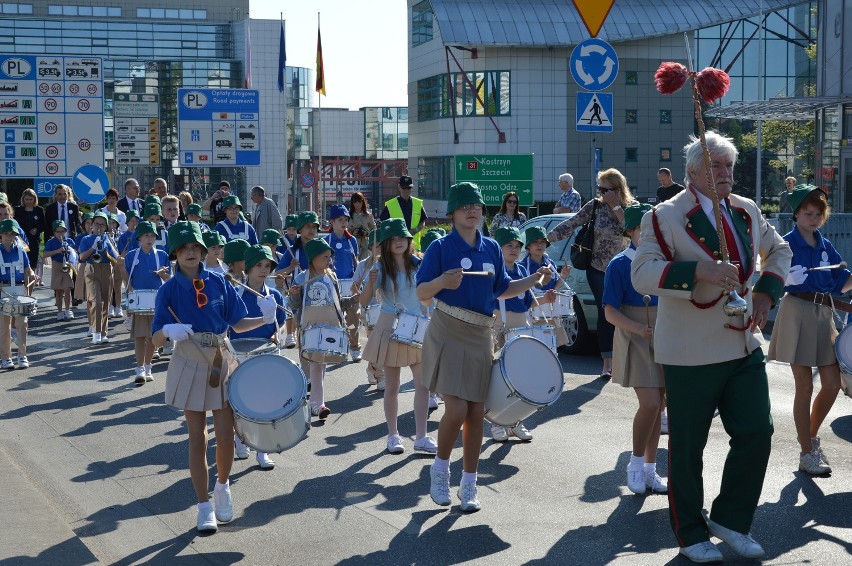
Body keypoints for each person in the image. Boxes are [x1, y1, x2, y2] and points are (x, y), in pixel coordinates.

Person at [631, 131, 791, 563]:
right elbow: (643, 274)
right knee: (687, 446)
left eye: (729, 166)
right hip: (689, 351)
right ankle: (690, 533)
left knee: (758, 431)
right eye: (715, 166)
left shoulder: (745, 209)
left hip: (743, 344)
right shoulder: (664, 216)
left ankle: (731, 519)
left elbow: (779, 250)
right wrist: (699, 270)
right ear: (692, 172)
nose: (725, 173)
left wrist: (765, 293)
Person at [416, 182, 552, 512]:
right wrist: (442, 283)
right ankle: (440, 469)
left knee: (477, 413)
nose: (473, 211)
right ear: (452, 212)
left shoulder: (491, 247)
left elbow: (502, 289)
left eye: (477, 206)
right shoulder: (440, 248)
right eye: (465, 207)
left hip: (480, 333)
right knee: (458, 409)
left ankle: (469, 483)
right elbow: (422, 292)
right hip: (447, 329)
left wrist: (534, 280)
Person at [152, 221, 277, 533]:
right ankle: (203, 505)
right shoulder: (167, 290)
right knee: (197, 438)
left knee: (224, 437)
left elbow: (237, 323)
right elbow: (153, 335)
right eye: (184, 249)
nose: (191, 253)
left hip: (221, 358)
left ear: (203, 250)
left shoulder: (220, 282)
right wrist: (168, 331)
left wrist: (266, 316)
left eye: (196, 247)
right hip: (189, 360)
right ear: (175, 254)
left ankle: (222, 487)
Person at [768, 185, 851, 475]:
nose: (814, 218)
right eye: (808, 213)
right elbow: (769, 277)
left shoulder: (825, 245)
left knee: (831, 384)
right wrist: (783, 278)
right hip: (796, 312)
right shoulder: (785, 243)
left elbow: (842, 281)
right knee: (803, 386)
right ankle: (806, 453)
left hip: (822, 313)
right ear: (796, 214)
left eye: (819, 214)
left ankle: (810, 440)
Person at [602, 203, 667, 495]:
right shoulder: (619, 264)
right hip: (635, 335)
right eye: (644, 229)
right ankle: (635, 462)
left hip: (664, 334)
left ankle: (651, 470)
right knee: (650, 403)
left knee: (660, 406)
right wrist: (639, 328)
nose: (650, 235)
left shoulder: (664, 262)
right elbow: (609, 313)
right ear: (630, 231)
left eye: (655, 229)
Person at [547, 168, 635, 379]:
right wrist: (546, 238)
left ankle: (628, 359)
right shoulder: (594, 206)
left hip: (625, 269)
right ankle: (607, 363)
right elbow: (572, 222)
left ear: (616, 189)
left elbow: (632, 229)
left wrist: (615, 206)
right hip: (598, 269)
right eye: (600, 189)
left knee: (628, 311)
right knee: (608, 310)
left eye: (605, 189)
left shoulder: (630, 208)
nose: (601, 193)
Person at [360, 218, 437, 454]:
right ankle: (393, 435)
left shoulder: (420, 263)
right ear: (385, 243)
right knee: (392, 386)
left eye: (402, 237)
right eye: (393, 239)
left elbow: (430, 296)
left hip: (418, 326)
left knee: (423, 385)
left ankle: (421, 437)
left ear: (409, 240)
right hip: (390, 326)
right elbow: (363, 302)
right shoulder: (379, 268)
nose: (399, 242)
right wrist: (371, 284)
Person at [490, 226, 556, 442]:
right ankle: (496, 423)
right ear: (498, 248)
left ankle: (515, 421)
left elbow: (528, 302)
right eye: (508, 245)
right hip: (498, 324)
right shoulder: (493, 270)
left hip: (520, 324)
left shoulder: (520, 270)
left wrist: (545, 299)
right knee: (496, 377)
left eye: (517, 246)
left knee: (520, 375)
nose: (514, 249)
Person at [228, 244, 289, 469]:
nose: (263, 270)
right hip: (239, 353)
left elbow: (279, 324)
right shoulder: (237, 294)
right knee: (240, 401)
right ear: (248, 268)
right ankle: (240, 438)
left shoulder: (274, 295)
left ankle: (262, 449)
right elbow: (232, 326)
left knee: (265, 402)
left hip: (266, 353)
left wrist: (275, 334)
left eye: (267, 266)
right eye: (258, 265)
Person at [289, 238, 346, 419]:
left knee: (321, 366)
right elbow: (294, 305)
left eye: (329, 257)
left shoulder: (332, 276)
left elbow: (337, 302)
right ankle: (318, 405)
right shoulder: (300, 279)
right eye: (324, 257)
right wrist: (294, 294)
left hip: (330, 325)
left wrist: (350, 304)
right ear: (312, 258)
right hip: (310, 327)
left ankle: (315, 401)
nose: (328, 260)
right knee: (316, 365)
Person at [124, 221, 171, 384]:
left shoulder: (162, 255)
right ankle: (139, 369)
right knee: (139, 337)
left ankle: (149, 366)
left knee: (153, 336)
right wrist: (129, 291)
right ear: (139, 238)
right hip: (139, 301)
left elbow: (168, 279)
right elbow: (127, 277)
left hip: (157, 301)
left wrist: (163, 275)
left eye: (152, 236)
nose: (149, 239)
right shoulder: (132, 255)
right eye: (146, 235)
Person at [324, 205, 362, 361]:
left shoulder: (351, 240)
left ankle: (355, 347)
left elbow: (356, 262)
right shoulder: (326, 241)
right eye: (340, 220)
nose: (344, 222)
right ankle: (338, 346)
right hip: (333, 283)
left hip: (350, 283)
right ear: (332, 222)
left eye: (346, 219)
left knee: (353, 316)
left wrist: (358, 280)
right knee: (334, 317)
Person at [78, 212, 119, 344]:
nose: (99, 227)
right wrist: (93, 247)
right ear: (92, 225)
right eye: (96, 224)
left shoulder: (108, 239)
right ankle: (96, 332)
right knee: (96, 301)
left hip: (106, 269)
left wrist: (109, 249)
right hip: (91, 269)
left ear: (106, 227)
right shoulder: (86, 239)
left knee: (106, 302)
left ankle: (103, 332)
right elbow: (82, 257)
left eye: (102, 225)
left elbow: (115, 258)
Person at [0, 218, 35, 369]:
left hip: (20, 289)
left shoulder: (21, 250)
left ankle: (22, 355)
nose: (9, 236)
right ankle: (6, 357)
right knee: (4, 325)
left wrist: (32, 274)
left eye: (12, 233)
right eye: (6, 233)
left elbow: (28, 269)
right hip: (4, 289)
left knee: (22, 324)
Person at [353, 230, 385, 389]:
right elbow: (354, 285)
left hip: (386, 309)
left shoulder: (388, 264)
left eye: (381, 245)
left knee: (383, 343)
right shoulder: (363, 265)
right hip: (369, 309)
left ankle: (375, 371)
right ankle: (378, 373)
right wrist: (358, 301)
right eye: (376, 246)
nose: (379, 249)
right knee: (376, 342)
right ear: (371, 248)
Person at [380, 176, 428, 250]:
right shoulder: (390, 205)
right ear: (399, 187)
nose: (406, 190)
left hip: (414, 246)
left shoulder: (418, 203)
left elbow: (423, 221)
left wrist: (415, 230)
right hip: (397, 247)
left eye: (408, 188)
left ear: (412, 188)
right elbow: (384, 224)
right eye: (404, 188)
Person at [43, 220, 77, 321]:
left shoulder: (69, 240)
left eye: (62, 231)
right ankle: (59, 311)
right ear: (54, 232)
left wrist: (70, 250)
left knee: (67, 288)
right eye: (58, 231)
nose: (60, 234)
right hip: (57, 265)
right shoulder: (51, 242)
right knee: (58, 290)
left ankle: (68, 309)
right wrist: (57, 251)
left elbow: (75, 253)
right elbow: (45, 254)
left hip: (67, 265)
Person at [14, 189, 45, 282]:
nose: (28, 202)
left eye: (31, 199)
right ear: (23, 200)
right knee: (23, 266)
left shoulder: (39, 210)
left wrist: (37, 230)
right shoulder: (18, 210)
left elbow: (43, 225)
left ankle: (29, 293)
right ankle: (23, 288)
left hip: (34, 242)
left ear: (34, 199)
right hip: (21, 242)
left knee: (32, 266)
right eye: (26, 199)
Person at [349, 192, 376, 260]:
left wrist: (366, 233)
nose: (357, 204)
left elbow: (374, 230)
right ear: (352, 203)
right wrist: (352, 232)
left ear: (362, 201)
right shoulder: (348, 216)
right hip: (352, 245)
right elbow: (342, 231)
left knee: (364, 266)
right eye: (355, 202)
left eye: (359, 201)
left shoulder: (368, 215)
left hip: (365, 245)